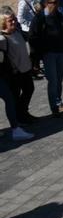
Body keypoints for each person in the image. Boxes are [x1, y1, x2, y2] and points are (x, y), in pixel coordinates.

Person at [28, 0, 63, 117]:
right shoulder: (39, 18)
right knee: (53, 81)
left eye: (56, 2)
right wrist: (36, 57)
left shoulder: (59, 16)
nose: (54, 5)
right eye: (51, 3)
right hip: (48, 53)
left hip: (60, 52)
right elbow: (32, 37)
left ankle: (59, 102)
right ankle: (54, 106)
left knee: (60, 79)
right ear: (46, 3)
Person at [0, 10, 33, 140]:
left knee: (12, 98)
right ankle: (16, 127)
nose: (13, 21)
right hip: (11, 74)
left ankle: (18, 123)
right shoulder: (2, 39)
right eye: (10, 20)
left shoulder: (16, 32)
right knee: (10, 99)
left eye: (14, 19)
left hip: (20, 71)